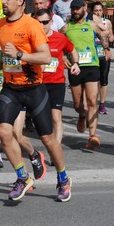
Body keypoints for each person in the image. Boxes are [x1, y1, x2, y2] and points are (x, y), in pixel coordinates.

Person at [0, 0, 72, 202]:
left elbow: (46, 57)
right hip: (11, 88)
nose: (3, 2)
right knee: (4, 132)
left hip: (34, 89)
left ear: (20, 1)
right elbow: (5, 55)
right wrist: (0, 63)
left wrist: (20, 54)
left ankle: (63, 178)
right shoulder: (0, 25)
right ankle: (22, 177)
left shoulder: (32, 25)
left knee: (47, 139)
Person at [0, 8, 46, 177]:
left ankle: (33, 154)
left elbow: (31, 58)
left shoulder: (12, 40)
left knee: (16, 135)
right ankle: (15, 169)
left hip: (16, 89)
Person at [65, 0, 111, 150]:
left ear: (84, 8)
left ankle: (92, 136)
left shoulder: (91, 24)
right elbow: (58, 43)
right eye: (73, 8)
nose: (75, 11)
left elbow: (104, 37)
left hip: (92, 66)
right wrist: (63, 58)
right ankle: (82, 115)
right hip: (75, 67)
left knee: (92, 101)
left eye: (77, 8)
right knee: (78, 104)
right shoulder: (66, 27)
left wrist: (106, 47)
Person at [33, 9, 80, 147]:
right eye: (38, 22)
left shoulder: (60, 38)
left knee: (56, 116)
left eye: (45, 22)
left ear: (51, 22)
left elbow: (73, 50)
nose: (42, 25)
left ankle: (56, 148)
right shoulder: (32, 39)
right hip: (38, 83)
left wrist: (76, 64)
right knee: (43, 120)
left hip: (56, 83)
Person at [92, 1, 114, 114]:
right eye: (96, 10)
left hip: (104, 53)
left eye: (100, 10)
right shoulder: (90, 23)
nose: (98, 13)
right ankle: (93, 102)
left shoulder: (107, 22)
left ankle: (102, 104)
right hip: (93, 53)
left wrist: (110, 37)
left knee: (104, 80)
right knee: (94, 80)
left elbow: (111, 37)